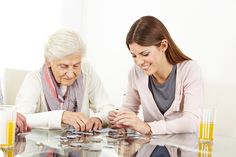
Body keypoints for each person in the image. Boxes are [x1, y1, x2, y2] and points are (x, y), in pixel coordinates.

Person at [108, 16, 204, 135]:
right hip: (150, 149)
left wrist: (147, 127)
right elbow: (129, 109)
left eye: (145, 54)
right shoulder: (135, 72)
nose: (139, 62)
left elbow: (192, 122)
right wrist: (121, 118)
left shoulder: (189, 70)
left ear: (163, 45)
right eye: (134, 55)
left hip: (182, 150)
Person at [15, 29, 114, 131]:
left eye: (76, 65)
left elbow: (108, 108)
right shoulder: (34, 79)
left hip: (80, 144)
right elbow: (19, 118)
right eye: (63, 66)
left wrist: (99, 118)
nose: (71, 74)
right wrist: (61, 116)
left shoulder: (86, 69)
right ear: (48, 61)